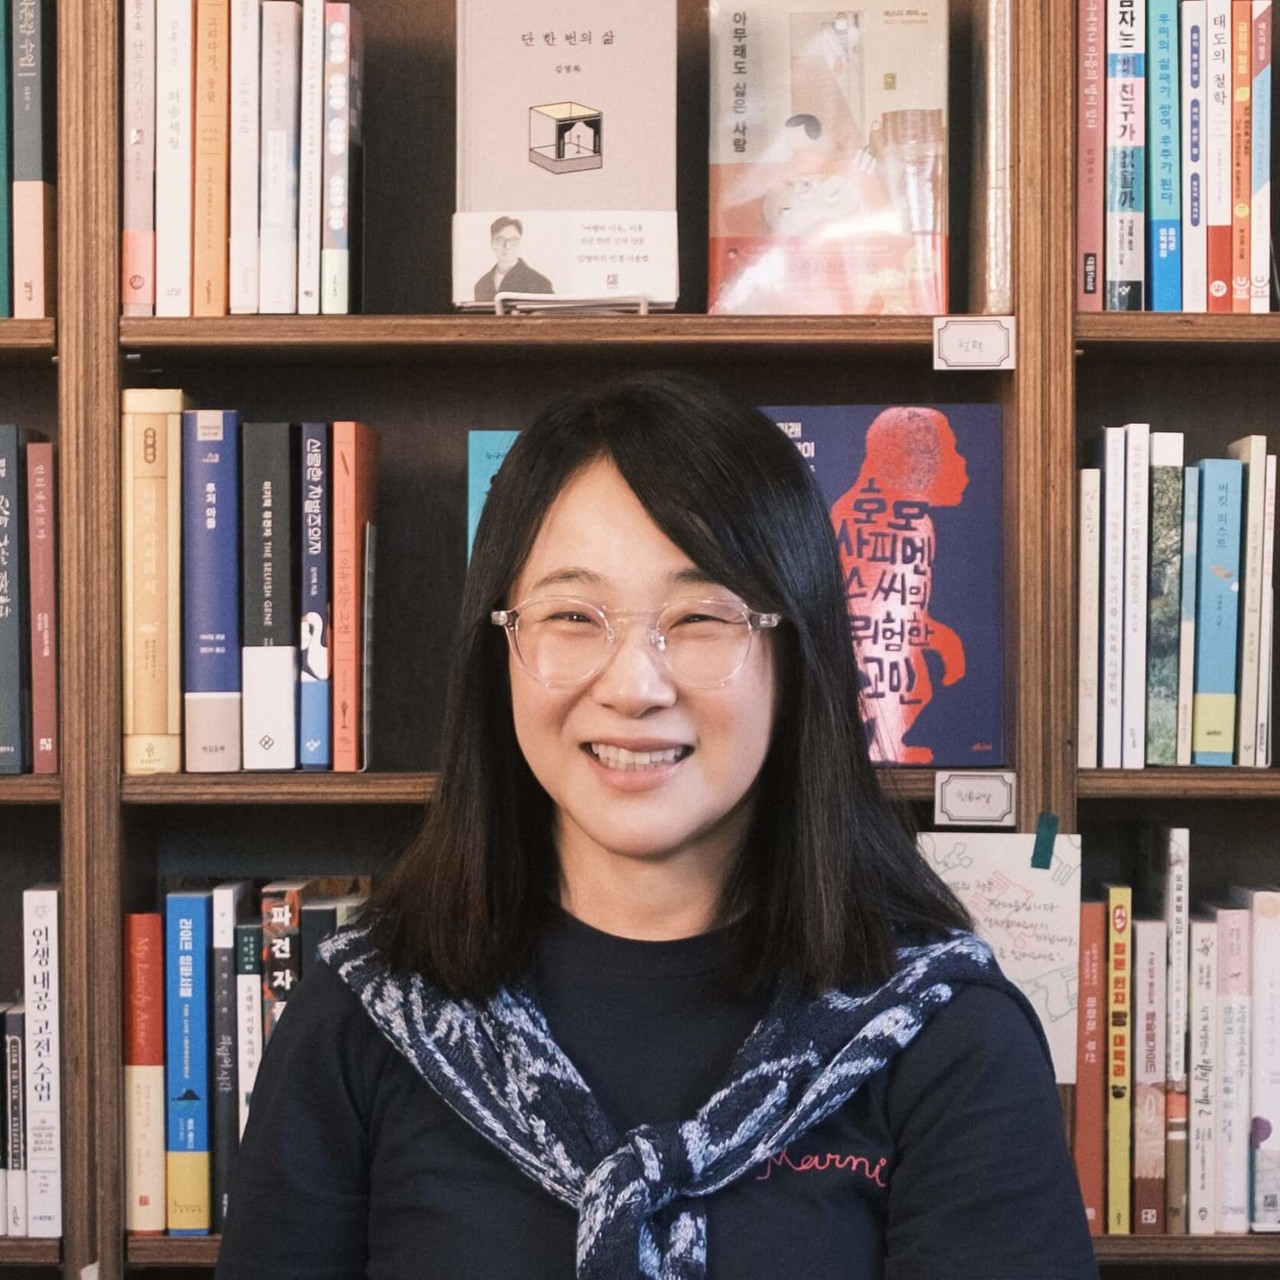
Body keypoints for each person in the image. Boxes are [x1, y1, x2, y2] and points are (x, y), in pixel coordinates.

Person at [217, 372, 1098, 1279]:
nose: (635, 686)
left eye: (701, 616)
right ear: (499, 648)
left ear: (797, 655)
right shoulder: (362, 1020)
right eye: (572, 615)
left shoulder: (946, 1039)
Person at [474, 216, 554, 302]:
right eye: (501, 239)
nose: (507, 245)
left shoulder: (539, 282)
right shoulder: (481, 285)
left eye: (513, 240)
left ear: (520, 243)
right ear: (492, 244)